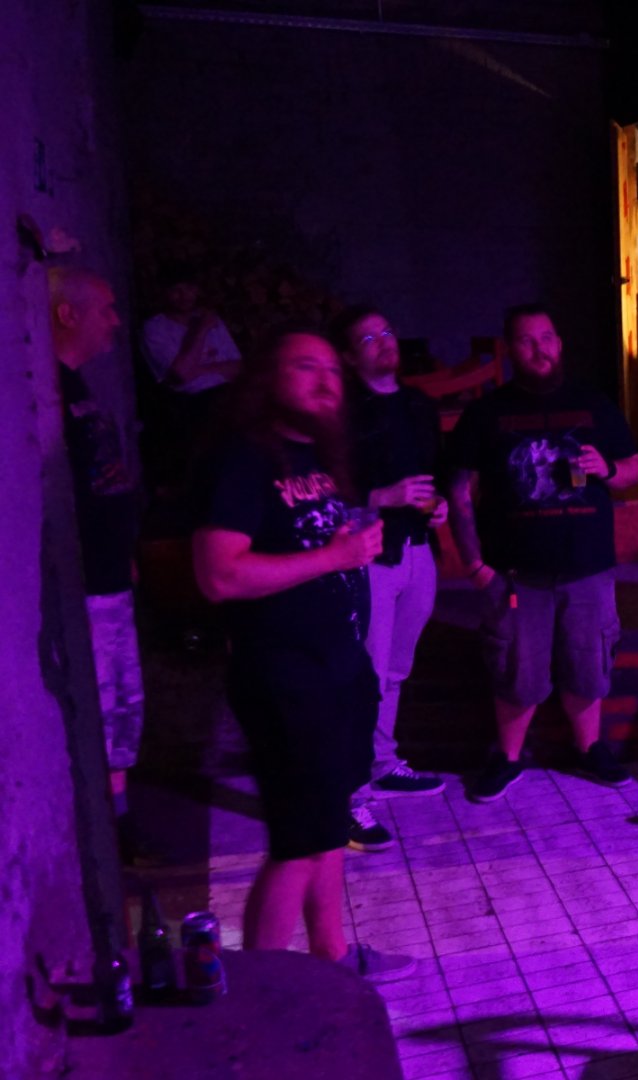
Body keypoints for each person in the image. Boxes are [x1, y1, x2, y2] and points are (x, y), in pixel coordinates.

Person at [192, 329, 413, 981]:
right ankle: (262, 993)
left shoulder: (316, 456)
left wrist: (345, 542)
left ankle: (333, 958)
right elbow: (219, 575)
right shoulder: (243, 458)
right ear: (268, 378)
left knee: (327, 828)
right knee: (297, 845)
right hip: (285, 678)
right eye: (305, 367)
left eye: (332, 371)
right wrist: (335, 556)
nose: (325, 382)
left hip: (335, 667)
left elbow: (308, 542)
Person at [445, 304, 638, 802]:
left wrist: (606, 470)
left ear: (560, 343)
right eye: (527, 340)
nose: (540, 349)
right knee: (517, 669)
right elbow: (460, 490)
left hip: (588, 568)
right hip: (516, 573)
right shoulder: (486, 413)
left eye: (547, 338)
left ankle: (589, 749)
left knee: (589, 665)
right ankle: (508, 757)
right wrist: (474, 566)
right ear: (510, 350)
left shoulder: (594, 403)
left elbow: (633, 469)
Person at [331, 306, 447, 853]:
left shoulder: (418, 405)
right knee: (366, 675)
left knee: (396, 669)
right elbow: (328, 488)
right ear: (349, 356)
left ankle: (381, 764)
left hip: (418, 549)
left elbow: (434, 474)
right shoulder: (343, 413)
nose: (384, 342)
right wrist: (384, 496)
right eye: (368, 338)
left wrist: (437, 506)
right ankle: (349, 797)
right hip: (371, 553)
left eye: (388, 331)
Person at [50, 269, 146, 858]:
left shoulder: (79, 386)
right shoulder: (50, 392)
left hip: (112, 577)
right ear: (68, 314)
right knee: (106, 708)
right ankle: (110, 834)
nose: (114, 321)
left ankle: (123, 823)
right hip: (87, 589)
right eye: (104, 309)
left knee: (125, 706)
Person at [142, 264, 243, 397]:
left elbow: (238, 366)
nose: (184, 296)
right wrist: (202, 330)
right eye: (176, 290)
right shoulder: (155, 328)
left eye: (189, 289)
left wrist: (197, 370)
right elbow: (180, 375)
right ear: (164, 293)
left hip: (228, 392)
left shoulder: (211, 319)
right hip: (192, 400)